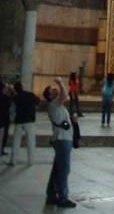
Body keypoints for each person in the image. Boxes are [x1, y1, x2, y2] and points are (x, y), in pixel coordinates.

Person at [43, 77, 76, 208]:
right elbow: (65, 95)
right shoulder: (54, 104)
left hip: (61, 139)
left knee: (57, 169)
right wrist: (60, 83)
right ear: (50, 96)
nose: (56, 90)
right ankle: (63, 198)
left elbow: (64, 96)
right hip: (63, 140)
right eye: (53, 90)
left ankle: (51, 195)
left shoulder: (56, 104)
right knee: (63, 170)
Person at [9, 81, 39, 166]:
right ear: (22, 87)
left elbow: (13, 106)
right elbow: (38, 101)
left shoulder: (16, 97)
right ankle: (31, 161)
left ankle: (13, 160)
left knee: (16, 141)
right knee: (30, 142)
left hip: (19, 120)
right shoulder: (30, 95)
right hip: (29, 121)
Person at [0, 81, 12, 156]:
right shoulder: (5, 97)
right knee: (3, 136)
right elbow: (8, 105)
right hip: (4, 119)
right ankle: (1, 149)